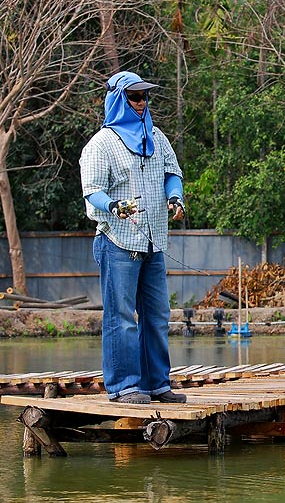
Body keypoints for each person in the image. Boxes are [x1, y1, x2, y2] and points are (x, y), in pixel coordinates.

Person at [80, 71, 187, 404]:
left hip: (154, 242)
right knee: (122, 317)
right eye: (134, 97)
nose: (141, 103)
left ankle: (157, 384)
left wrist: (176, 198)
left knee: (157, 315)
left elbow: (172, 174)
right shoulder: (101, 144)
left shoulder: (156, 136)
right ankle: (124, 386)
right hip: (118, 242)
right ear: (117, 99)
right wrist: (112, 205)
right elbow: (92, 191)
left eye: (145, 97)